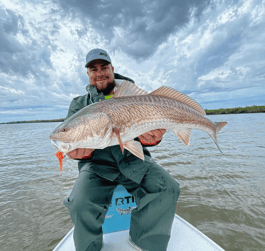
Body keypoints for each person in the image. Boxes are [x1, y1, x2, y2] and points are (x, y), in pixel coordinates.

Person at [63, 48, 180, 251]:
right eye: (93, 69)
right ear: (88, 74)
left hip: (133, 160)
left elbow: (146, 136)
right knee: (79, 203)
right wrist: (75, 152)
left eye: (104, 67)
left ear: (112, 69)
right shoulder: (79, 105)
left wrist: (153, 140)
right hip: (96, 166)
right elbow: (71, 139)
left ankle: (143, 240)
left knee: (169, 188)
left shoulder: (134, 97)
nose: (99, 73)